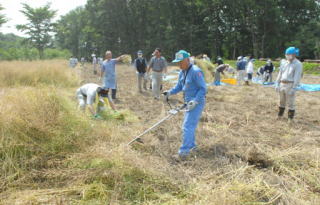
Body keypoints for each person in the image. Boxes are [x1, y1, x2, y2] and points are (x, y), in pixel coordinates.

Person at [163, 50, 207, 159]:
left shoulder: (196, 71)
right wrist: (169, 92)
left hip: (197, 102)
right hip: (188, 102)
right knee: (189, 126)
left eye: (181, 62)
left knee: (187, 126)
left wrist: (195, 101)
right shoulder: (182, 72)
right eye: (177, 62)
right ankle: (191, 146)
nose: (179, 64)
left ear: (187, 60)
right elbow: (179, 86)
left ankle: (184, 153)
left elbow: (203, 89)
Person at [275, 47, 303, 122]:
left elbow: (297, 76)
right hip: (282, 84)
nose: (287, 56)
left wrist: (294, 88)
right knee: (281, 101)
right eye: (286, 54)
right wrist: (277, 83)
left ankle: (290, 118)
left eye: (288, 54)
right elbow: (280, 73)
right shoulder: (284, 62)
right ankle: (280, 115)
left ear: (294, 55)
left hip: (290, 85)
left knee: (291, 102)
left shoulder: (298, 64)